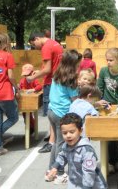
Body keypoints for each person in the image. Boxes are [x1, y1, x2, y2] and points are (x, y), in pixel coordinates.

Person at [46, 50, 82, 185]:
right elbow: (74, 99)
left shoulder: (58, 72)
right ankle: (59, 173)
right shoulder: (71, 77)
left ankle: (51, 169)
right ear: (73, 63)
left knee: (56, 142)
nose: (80, 64)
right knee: (62, 144)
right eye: (78, 62)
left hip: (51, 110)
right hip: (61, 113)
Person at [46, 113, 107, 188]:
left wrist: (86, 187)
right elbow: (62, 156)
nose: (68, 135)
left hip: (92, 185)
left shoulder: (86, 150)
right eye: (64, 133)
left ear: (80, 130)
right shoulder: (66, 145)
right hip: (74, 183)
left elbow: (89, 172)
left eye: (72, 132)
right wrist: (55, 167)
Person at [26, 32, 64, 153]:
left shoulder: (46, 47)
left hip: (50, 82)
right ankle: (53, 138)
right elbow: (52, 65)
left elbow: (48, 69)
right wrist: (39, 71)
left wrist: (32, 78)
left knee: (51, 112)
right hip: (57, 79)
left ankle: (52, 142)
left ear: (37, 38)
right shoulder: (55, 44)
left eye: (33, 44)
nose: (35, 47)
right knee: (54, 111)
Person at [97, 47, 118, 173]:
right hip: (105, 106)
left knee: (116, 136)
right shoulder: (104, 71)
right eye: (107, 60)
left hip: (117, 107)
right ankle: (108, 163)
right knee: (107, 137)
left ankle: (115, 161)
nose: (108, 62)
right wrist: (99, 101)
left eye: (111, 60)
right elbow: (99, 88)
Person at [19, 64, 42, 136]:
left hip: (32, 100)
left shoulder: (34, 80)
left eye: (28, 75)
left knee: (30, 115)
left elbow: (39, 86)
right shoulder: (22, 81)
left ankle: (32, 127)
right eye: (25, 75)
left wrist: (33, 89)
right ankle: (30, 128)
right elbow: (20, 88)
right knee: (25, 115)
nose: (26, 77)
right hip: (25, 100)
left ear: (32, 73)